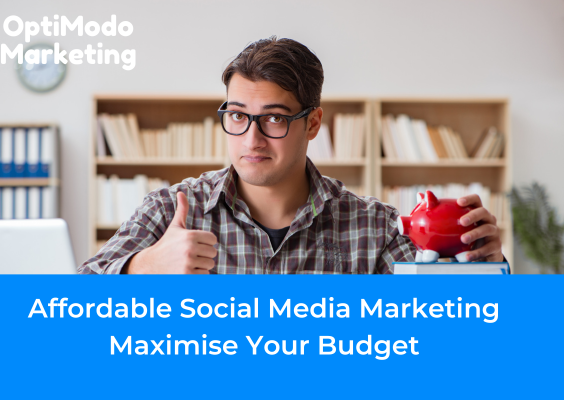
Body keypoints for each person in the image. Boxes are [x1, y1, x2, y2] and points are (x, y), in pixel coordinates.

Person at [78, 36, 504, 275]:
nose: (252, 140)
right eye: (238, 117)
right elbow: (69, 310)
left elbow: (456, 327)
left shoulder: (376, 229)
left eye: (275, 119)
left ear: (313, 123)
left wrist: (483, 261)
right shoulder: (171, 211)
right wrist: (142, 268)